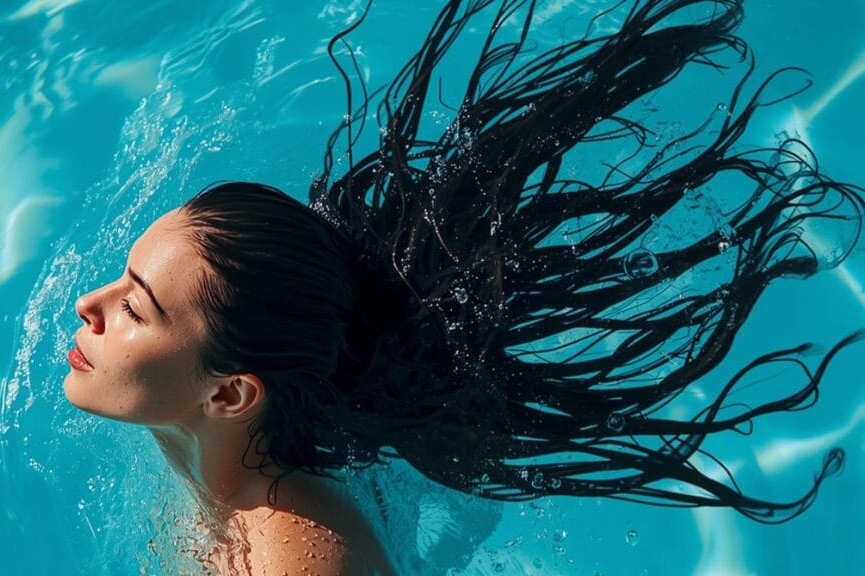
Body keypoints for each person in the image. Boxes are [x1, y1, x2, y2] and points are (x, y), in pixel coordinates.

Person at [64, 0, 865, 573]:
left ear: (233, 394)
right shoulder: (198, 431)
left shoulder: (300, 557)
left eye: (133, 306)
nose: (87, 307)